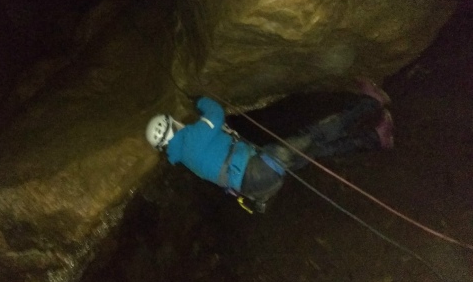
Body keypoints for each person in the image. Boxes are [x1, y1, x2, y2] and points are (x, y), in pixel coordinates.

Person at [145, 79, 394, 213]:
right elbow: (215, 113)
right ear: (172, 124)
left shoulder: (182, 157)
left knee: (316, 150)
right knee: (314, 135)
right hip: (258, 169)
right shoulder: (188, 139)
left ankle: (376, 138)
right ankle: (371, 103)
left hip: (257, 185)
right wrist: (200, 100)